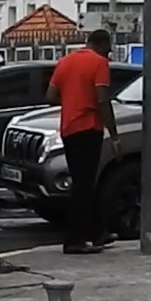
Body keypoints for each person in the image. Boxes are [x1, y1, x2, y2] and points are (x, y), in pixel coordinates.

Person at [45, 29, 120, 254]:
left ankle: (96, 233)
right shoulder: (99, 63)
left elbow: (50, 96)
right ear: (102, 45)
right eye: (108, 50)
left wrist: (72, 100)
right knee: (84, 185)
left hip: (68, 128)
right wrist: (114, 134)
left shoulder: (65, 62)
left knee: (84, 182)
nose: (108, 54)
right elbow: (102, 100)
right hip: (88, 127)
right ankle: (74, 239)